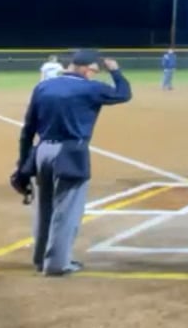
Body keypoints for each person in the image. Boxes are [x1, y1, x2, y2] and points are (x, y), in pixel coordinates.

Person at [8, 50, 131, 276]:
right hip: (70, 152)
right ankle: (57, 264)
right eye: (93, 70)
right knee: (67, 210)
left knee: (44, 208)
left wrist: (23, 165)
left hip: (42, 152)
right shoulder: (91, 88)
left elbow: (28, 129)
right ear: (84, 68)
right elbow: (124, 94)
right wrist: (115, 71)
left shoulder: (43, 87)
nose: (93, 75)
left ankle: (41, 258)